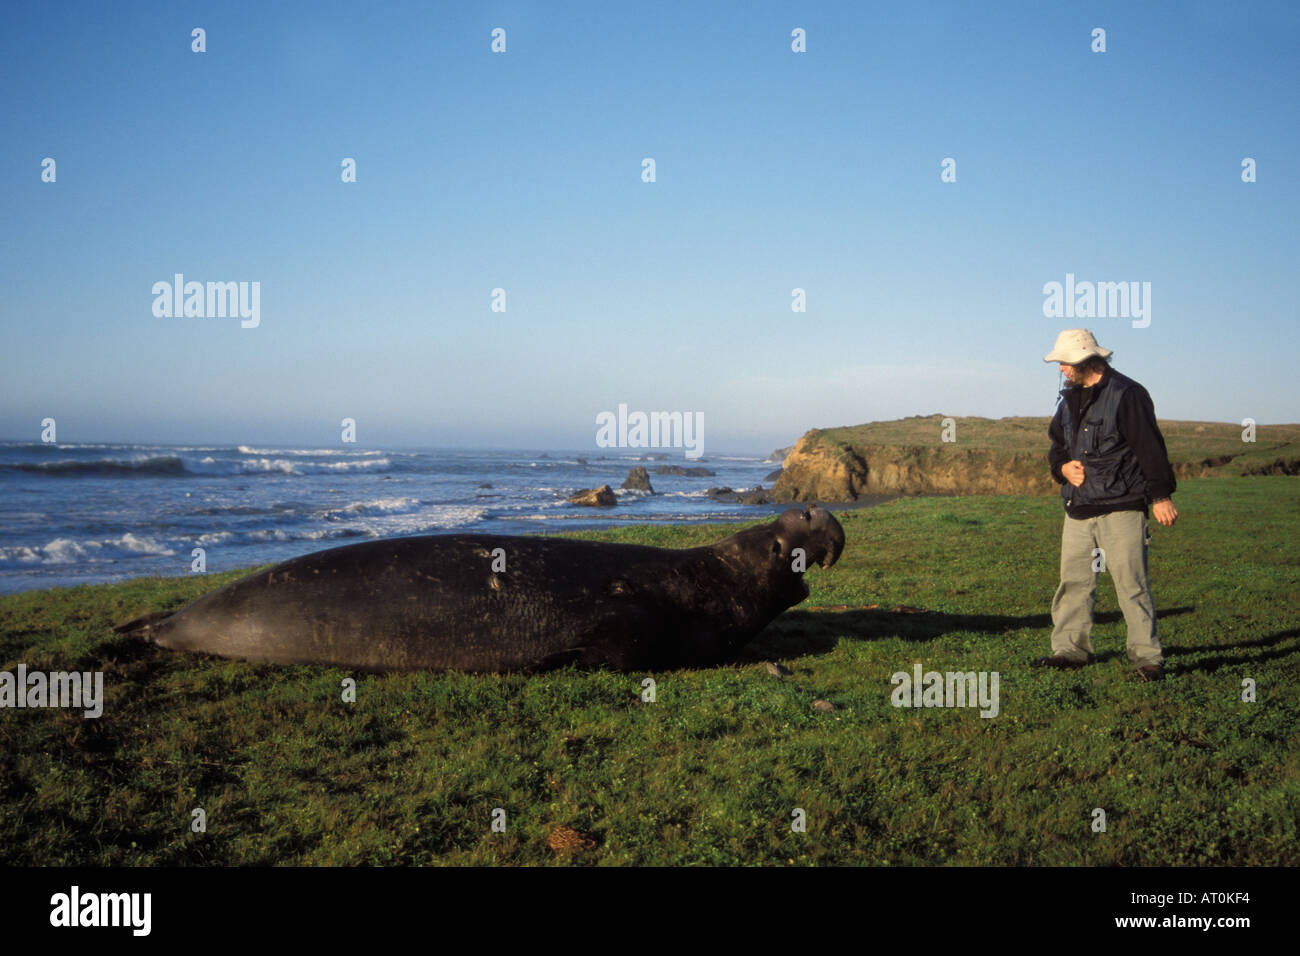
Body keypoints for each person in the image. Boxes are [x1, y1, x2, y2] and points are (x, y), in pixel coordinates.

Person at [1034, 329, 1178, 682]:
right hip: (1079, 507)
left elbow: (1150, 448)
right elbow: (1057, 445)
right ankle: (1069, 651)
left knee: (1132, 583)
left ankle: (1148, 659)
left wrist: (1159, 497)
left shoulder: (1128, 394)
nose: (1062, 369)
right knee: (1074, 582)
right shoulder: (1067, 397)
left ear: (1087, 359)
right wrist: (1062, 468)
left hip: (1122, 505)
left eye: (1066, 362)